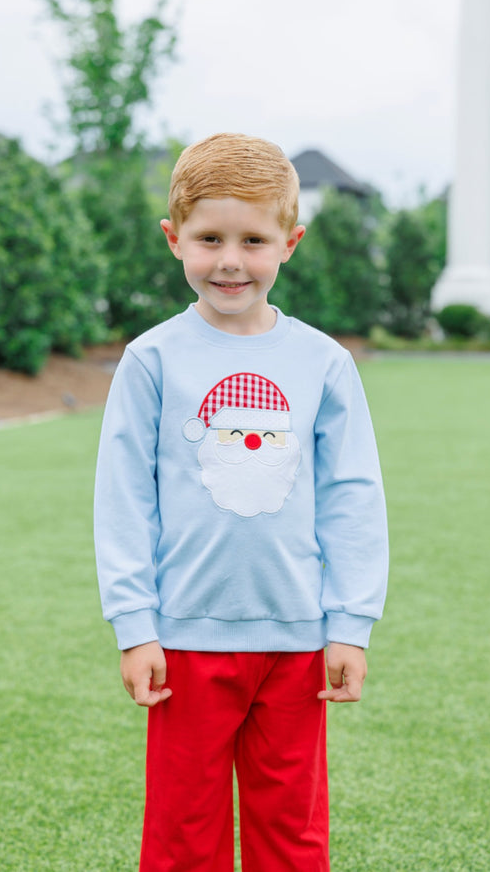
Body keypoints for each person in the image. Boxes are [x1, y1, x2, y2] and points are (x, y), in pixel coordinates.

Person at [94, 132, 389, 872]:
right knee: (182, 836)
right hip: (184, 642)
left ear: (290, 241)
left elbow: (353, 497)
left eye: (254, 239)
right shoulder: (151, 359)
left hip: (298, 642)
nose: (231, 259)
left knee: (290, 837)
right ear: (174, 240)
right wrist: (136, 625)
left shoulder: (323, 362)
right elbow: (124, 499)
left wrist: (350, 624)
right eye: (210, 238)